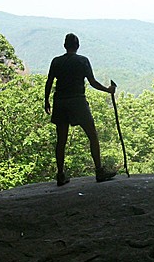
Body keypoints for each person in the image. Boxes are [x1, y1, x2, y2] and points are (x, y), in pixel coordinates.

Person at [45, 33, 117, 186]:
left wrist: (46, 101)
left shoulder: (56, 62)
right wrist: (108, 90)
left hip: (60, 102)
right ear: (77, 46)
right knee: (92, 135)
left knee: (61, 140)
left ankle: (60, 174)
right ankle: (99, 170)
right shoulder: (83, 61)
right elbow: (92, 82)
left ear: (65, 46)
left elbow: (49, 81)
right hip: (77, 101)